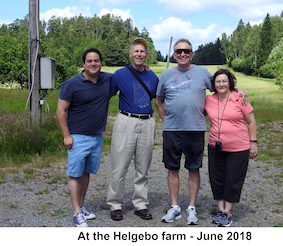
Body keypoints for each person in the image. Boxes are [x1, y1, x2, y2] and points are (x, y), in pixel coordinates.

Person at [155, 38, 247, 225]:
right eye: (179, 51)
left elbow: (222, 85)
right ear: (174, 54)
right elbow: (159, 101)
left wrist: (238, 89)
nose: (182, 54)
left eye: (186, 51)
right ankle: (174, 207)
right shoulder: (166, 75)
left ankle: (191, 207)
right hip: (172, 131)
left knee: (193, 169)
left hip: (195, 130)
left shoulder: (202, 72)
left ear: (191, 54)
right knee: (172, 169)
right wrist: (166, 120)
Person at [56, 48, 112, 227]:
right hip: (77, 137)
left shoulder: (107, 79)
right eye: (89, 61)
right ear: (83, 64)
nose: (93, 64)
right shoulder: (72, 84)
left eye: (96, 61)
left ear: (101, 63)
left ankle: (81, 206)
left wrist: (146, 67)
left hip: (97, 137)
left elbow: (127, 74)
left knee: (86, 173)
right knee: (74, 174)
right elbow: (60, 110)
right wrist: (66, 135)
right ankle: (76, 213)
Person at [106, 38, 159, 221]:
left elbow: (161, 96)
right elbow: (105, 93)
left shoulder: (152, 76)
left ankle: (140, 204)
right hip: (126, 121)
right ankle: (115, 204)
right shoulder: (120, 74)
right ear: (130, 54)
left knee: (143, 167)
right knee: (119, 166)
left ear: (146, 55)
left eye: (142, 51)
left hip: (147, 122)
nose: (139, 54)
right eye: (136, 51)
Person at [204, 68, 257, 227]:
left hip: (239, 148)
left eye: (224, 81)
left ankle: (228, 212)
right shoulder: (209, 100)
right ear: (214, 84)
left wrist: (253, 143)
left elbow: (252, 122)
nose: (221, 84)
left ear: (230, 83)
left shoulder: (239, 98)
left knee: (233, 179)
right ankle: (220, 210)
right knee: (217, 178)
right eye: (218, 81)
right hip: (215, 146)